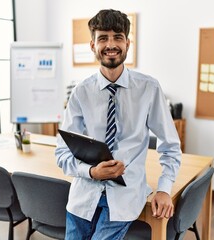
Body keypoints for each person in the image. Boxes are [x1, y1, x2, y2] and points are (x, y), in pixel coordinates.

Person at [55, 9, 181, 240]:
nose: (110, 44)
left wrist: (164, 188)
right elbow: (62, 152)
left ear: (127, 43)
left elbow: (171, 146)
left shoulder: (149, 89)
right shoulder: (80, 93)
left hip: (125, 196)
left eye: (118, 37)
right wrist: (91, 171)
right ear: (92, 45)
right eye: (103, 38)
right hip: (83, 196)